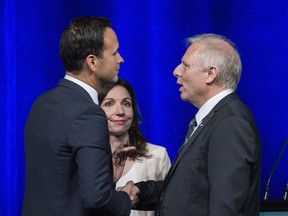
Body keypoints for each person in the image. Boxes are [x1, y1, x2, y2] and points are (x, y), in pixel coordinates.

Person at [134, 33, 261, 216]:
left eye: (185, 65)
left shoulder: (230, 123)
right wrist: (140, 193)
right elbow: (190, 192)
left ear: (210, 74)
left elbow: (226, 208)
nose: (176, 71)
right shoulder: (212, 119)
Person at [22, 16, 139, 216]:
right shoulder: (88, 113)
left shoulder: (41, 102)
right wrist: (125, 199)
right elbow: (96, 198)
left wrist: (103, 176)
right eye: (114, 53)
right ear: (92, 62)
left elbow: (59, 180)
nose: (121, 59)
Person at [98, 78, 171, 216]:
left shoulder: (157, 155)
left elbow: (170, 204)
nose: (120, 111)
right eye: (109, 104)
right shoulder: (84, 158)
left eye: (126, 104)